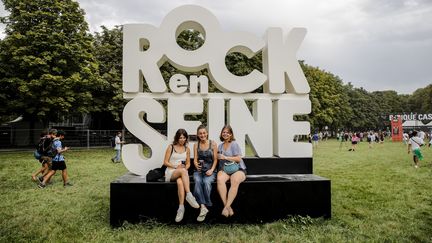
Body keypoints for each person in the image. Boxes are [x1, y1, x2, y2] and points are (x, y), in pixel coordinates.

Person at [163, 128, 199, 222]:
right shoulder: (171, 147)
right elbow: (165, 162)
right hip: (171, 172)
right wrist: (177, 167)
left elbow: (188, 164)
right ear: (177, 138)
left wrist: (184, 169)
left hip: (181, 172)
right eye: (180, 138)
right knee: (183, 171)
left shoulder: (187, 149)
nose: (182, 140)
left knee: (180, 183)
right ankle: (189, 195)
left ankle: (181, 208)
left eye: (184, 138)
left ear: (186, 138)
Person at [216, 125, 247, 218]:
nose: (225, 134)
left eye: (227, 132)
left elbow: (238, 159)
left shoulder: (234, 144)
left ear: (231, 134)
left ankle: (226, 207)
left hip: (238, 168)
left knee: (235, 180)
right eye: (224, 132)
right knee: (219, 179)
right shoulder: (220, 146)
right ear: (222, 133)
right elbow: (219, 160)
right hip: (226, 169)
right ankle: (227, 207)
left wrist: (225, 157)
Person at [192, 125, 218, 222]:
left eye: (204, 133)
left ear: (207, 133)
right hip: (199, 170)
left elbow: (215, 160)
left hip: (210, 170)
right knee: (198, 181)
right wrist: (195, 164)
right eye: (200, 133)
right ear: (198, 135)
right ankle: (203, 207)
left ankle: (204, 206)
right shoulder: (196, 145)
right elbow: (195, 159)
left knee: (207, 183)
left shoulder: (213, 144)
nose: (202, 135)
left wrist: (211, 170)